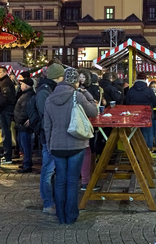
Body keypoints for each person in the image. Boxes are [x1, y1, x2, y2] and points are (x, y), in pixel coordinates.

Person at [44, 67, 98, 225]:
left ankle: (60, 215)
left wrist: (49, 144)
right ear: (76, 81)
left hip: (56, 145)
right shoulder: (77, 95)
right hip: (76, 143)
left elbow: (47, 126)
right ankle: (71, 215)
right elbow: (94, 111)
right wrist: (85, 91)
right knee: (73, 180)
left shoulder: (49, 98)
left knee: (60, 180)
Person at [33, 63, 64, 215]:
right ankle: (48, 203)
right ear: (58, 77)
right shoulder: (44, 91)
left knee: (51, 170)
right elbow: (46, 116)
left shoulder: (49, 89)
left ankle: (52, 200)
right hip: (49, 137)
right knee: (48, 170)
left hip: (52, 135)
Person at [123, 72, 156, 149]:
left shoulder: (131, 90)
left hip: (133, 115)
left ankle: (135, 151)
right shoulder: (149, 90)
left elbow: (127, 102)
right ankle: (145, 152)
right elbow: (155, 102)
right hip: (146, 115)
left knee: (134, 134)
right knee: (146, 133)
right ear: (145, 79)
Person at [78, 69, 99, 191]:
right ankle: (85, 181)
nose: (81, 80)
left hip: (75, 127)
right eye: (79, 77)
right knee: (86, 150)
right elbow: (93, 109)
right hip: (83, 124)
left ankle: (83, 179)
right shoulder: (82, 93)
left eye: (83, 77)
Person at [13, 77, 36, 173]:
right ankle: (26, 163)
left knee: (26, 145)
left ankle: (27, 164)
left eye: (22, 84)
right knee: (25, 145)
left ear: (26, 85)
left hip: (23, 125)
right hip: (22, 124)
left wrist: (19, 121)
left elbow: (25, 111)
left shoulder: (28, 96)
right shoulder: (26, 94)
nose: (20, 86)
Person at [0, 66, 17, 164]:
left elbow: (5, 97)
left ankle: (8, 156)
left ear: (5, 72)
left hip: (5, 110)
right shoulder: (5, 82)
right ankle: (7, 155)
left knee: (5, 133)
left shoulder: (6, 83)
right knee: (5, 132)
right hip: (6, 109)